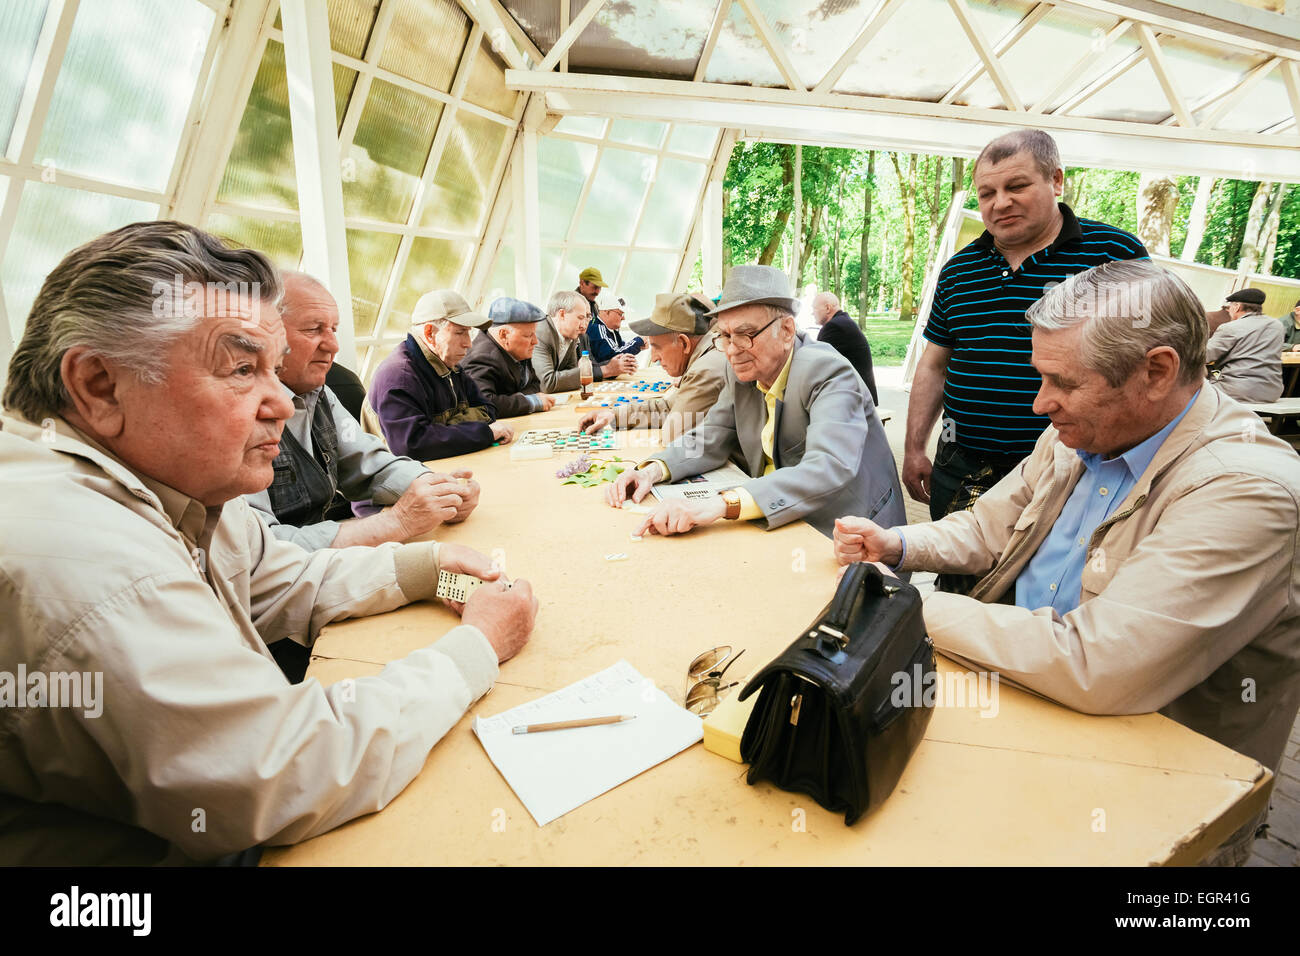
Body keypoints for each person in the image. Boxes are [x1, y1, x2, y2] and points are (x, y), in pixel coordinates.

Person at [0, 221, 538, 864]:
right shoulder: (89, 558)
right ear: (99, 385)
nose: (282, 402)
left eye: (272, 366)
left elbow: (283, 578)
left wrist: (432, 567)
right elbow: (281, 772)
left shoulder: (169, 485)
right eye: (241, 368)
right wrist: (477, 646)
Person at [834, 260, 1300, 867]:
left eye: (1063, 382)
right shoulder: (1081, 430)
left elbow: (1099, 662)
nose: (1039, 404)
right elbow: (987, 527)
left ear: (1157, 371)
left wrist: (899, 604)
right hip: (1031, 702)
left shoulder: (1247, 490)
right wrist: (895, 546)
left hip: (1158, 785)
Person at [904, 129, 1147, 593]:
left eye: (1016, 187)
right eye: (987, 193)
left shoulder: (1115, 256)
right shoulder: (959, 269)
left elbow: (1144, 361)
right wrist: (916, 446)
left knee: (1046, 581)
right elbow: (934, 363)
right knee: (960, 573)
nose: (999, 203)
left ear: (1056, 180)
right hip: (963, 461)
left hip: (1072, 461)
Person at [606, 265, 904, 539]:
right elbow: (712, 435)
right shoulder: (739, 369)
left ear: (787, 331)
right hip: (779, 519)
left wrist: (723, 504)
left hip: (850, 532)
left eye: (746, 335)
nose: (733, 350)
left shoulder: (828, 371)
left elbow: (828, 466)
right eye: (725, 336)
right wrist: (652, 470)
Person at [244, 272, 480, 553]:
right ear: (266, 335)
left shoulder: (319, 393)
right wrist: (397, 522)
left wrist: (435, 487)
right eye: (313, 329)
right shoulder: (237, 414)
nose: (333, 345)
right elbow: (260, 551)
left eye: (333, 329)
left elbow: (368, 463)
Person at [363, 290, 514, 459]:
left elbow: (488, 408)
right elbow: (413, 444)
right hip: (405, 480)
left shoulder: (450, 365)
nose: (468, 343)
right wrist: (483, 433)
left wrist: (445, 428)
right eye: (459, 332)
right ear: (429, 333)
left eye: (468, 332)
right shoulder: (400, 377)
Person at [579, 293, 727, 444]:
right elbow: (668, 408)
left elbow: (673, 435)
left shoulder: (705, 370)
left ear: (684, 343)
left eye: (657, 347)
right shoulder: (705, 357)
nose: (654, 357)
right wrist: (612, 415)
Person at [461, 296, 556, 417]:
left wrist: (512, 399)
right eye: (528, 335)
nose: (535, 341)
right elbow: (484, 404)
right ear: (504, 335)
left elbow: (535, 385)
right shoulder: (481, 357)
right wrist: (530, 401)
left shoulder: (517, 349)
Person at [533, 290, 636, 392]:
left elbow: (572, 373)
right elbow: (546, 383)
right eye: (580, 318)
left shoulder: (571, 335)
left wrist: (612, 364)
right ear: (562, 314)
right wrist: (607, 369)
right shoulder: (541, 334)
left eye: (587, 317)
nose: (584, 325)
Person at [1205, 287, 1283, 402]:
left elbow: (1204, 356)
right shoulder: (1277, 325)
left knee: (1199, 377)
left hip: (1236, 389)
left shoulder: (1230, 327)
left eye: (1230, 306)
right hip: (1272, 392)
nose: (1229, 309)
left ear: (1237, 307)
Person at [812, 291, 878, 406]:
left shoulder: (834, 327)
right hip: (860, 395)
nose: (812, 313)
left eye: (814, 308)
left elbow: (817, 365)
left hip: (857, 401)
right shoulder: (843, 322)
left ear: (827, 308)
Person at [587, 289, 644, 364]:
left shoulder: (611, 330)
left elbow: (620, 348)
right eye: (620, 314)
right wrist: (638, 341)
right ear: (606, 311)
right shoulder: (597, 328)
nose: (623, 318)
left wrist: (639, 346)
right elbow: (614, 356)